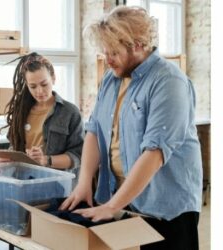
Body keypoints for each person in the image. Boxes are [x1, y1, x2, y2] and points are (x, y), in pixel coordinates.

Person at [60, 6, 203, 250]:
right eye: (105, 52)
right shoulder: (111, 78)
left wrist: (112, 206)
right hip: (124, 200)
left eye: (114, 52)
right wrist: (84, 182)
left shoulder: (169, 82)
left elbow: (155, 153)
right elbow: (94, 130)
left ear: (138, 44)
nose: (108, 60)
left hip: (166, 208)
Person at [1, 52, 84, 181]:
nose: (39, 91)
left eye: (44, 84)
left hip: (58, 186)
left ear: (53, 78)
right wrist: (8, 158)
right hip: (23, 181)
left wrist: (45, 160)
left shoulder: (70, 112)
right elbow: (14, 146)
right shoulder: (21, 112)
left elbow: (78, 157)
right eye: (32, 86)